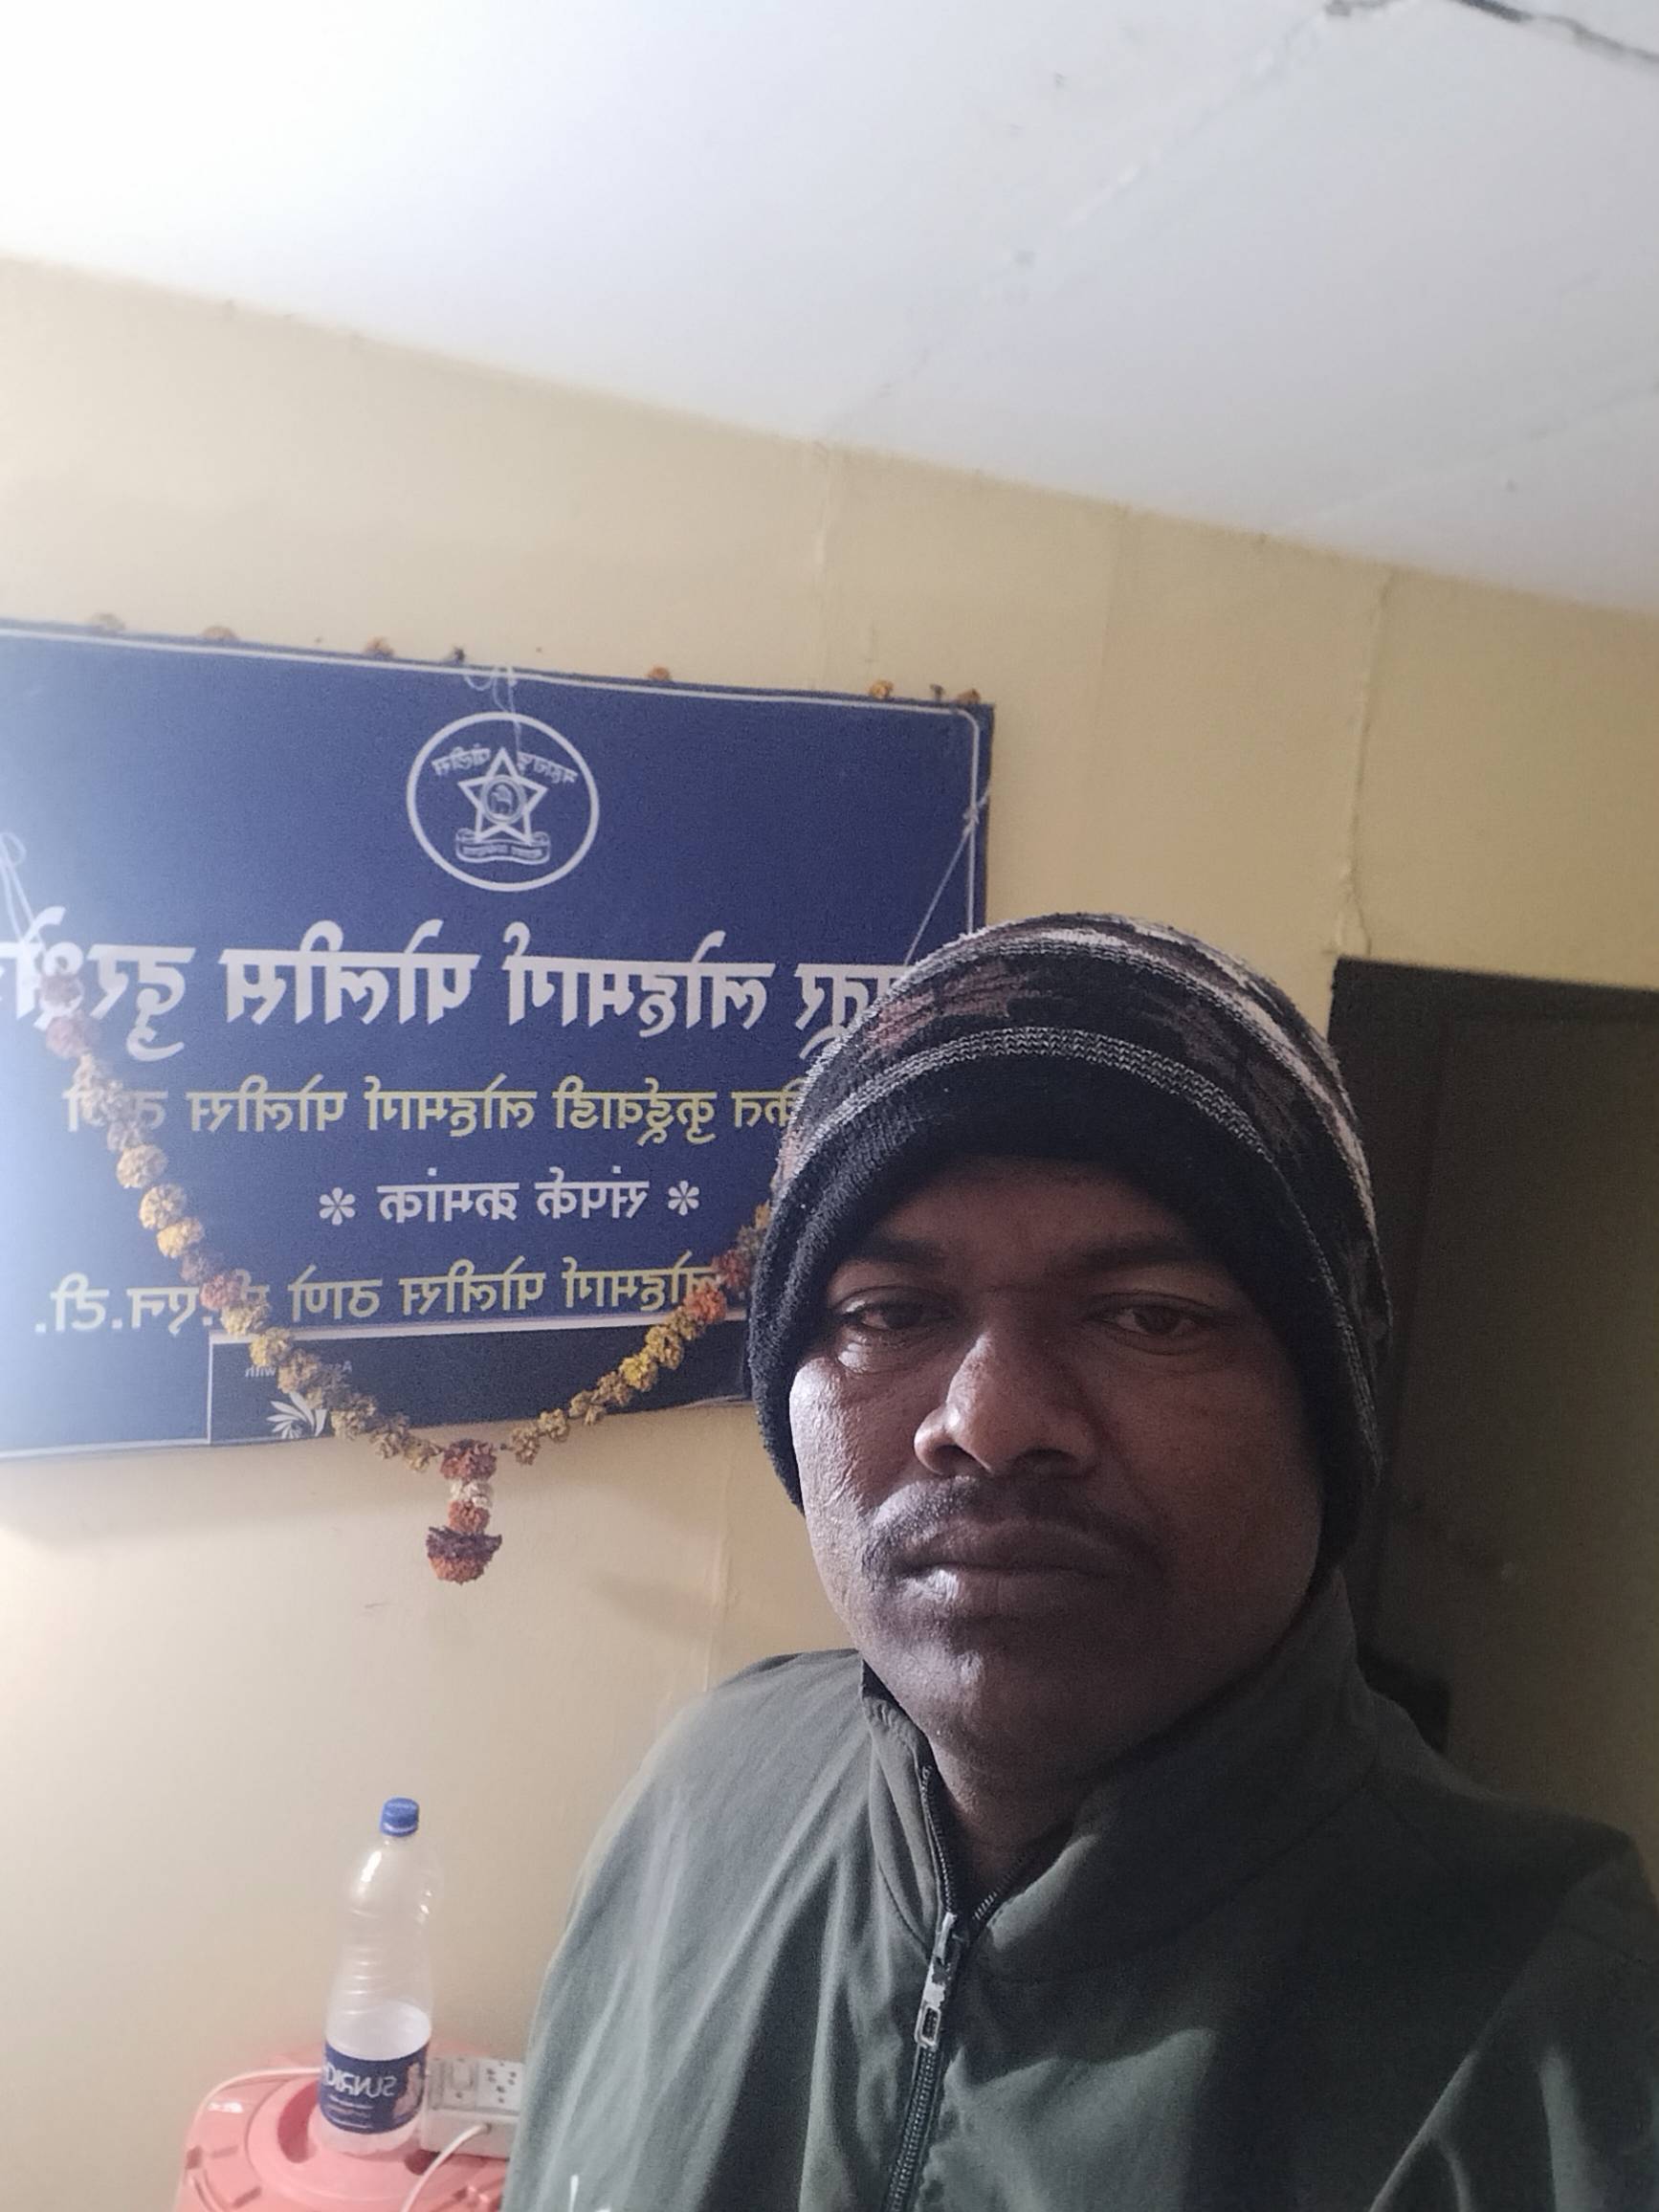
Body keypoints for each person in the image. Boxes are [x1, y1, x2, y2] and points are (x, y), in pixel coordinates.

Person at [504, 914, 1659, 2212]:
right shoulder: (707, 1788)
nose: (990, 1422)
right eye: (888, 1312)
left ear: (1328, 1418)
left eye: (1150, 1316)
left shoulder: (1559, 2037)